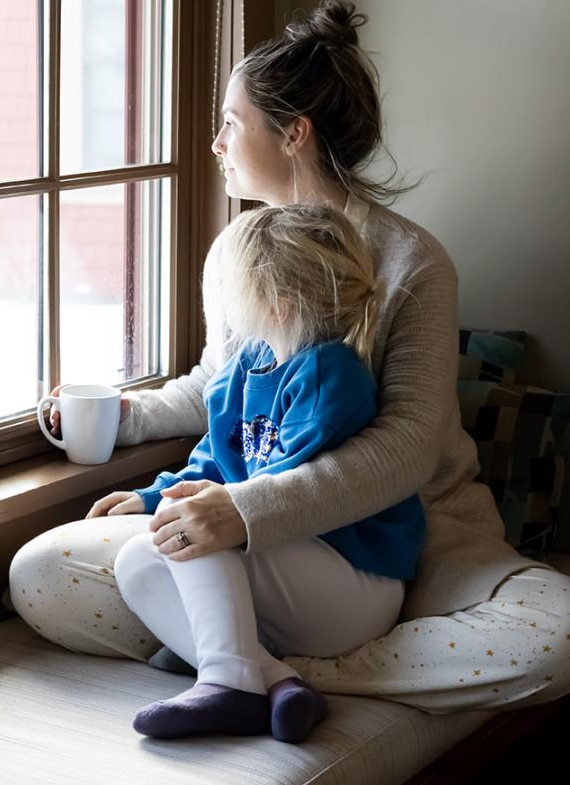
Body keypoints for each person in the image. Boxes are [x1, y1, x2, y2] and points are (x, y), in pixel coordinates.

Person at [10, 0, 570, 719]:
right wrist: (126, 415)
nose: (217, 144)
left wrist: (244, 512)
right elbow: (220, 389)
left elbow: (408, 447)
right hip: (259, 530)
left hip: (412, 534)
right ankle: (258, 669)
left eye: (231, 123)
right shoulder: (239, 255)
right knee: (40, 574)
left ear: (294, 133)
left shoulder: (413, 262)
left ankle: (256, 666)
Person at [94, 203, 425, 743]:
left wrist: (218, 501)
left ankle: (227, 678)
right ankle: (275, 684)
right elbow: (217, 457)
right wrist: (151, 496)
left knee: (201, 532)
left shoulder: (328, 373)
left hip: (356, 582)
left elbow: (291, 485)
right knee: (139, 560)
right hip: (295, 573)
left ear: (276, 302)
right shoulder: (246, 367)